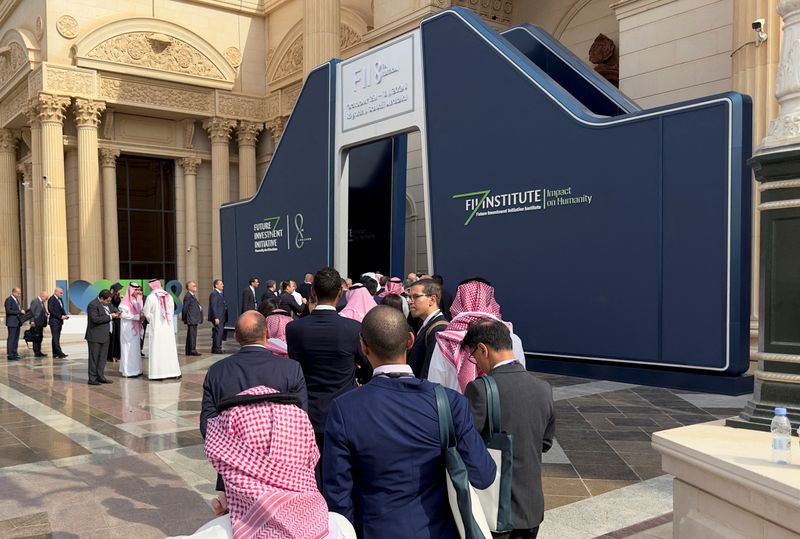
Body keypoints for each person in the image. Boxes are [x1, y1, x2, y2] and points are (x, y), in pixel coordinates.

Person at [323, 306, 496, 539]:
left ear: (363, 347)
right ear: (410, 340)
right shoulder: (450, 402)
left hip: (376, 530)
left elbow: (338, 495)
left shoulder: (344, 408)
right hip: (439, 531)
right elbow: (483, 474)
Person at [195, 386, 353, 539]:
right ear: (306, 452)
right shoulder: (340, 527)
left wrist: (224, 520)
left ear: (230, 463)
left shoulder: (209, 534)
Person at [200, 310, 308, 512]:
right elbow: (301, 423)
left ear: (236, 336)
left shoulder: (217, 371)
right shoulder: (290, 369)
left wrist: (238, 456)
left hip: (234, 473)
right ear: (267, 333)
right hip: (282, 471)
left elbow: (207, 426)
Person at [463, 319, 555, 539]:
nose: (475, 362)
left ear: (483, 349)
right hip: (531, 508)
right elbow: (545, 443)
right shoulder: (543, 388)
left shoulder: (480, 389)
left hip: (496, 508)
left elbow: (467, 444)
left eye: (473, 355)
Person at [285, 267, 366, 461]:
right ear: (340, 291)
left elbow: (294, 362)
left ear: (312, 291)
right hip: (344, 410)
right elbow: (366, 366)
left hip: (308, 411)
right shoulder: (353, 328)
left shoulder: (294, 328)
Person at [428, 277, 526, 393]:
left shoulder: (445, 341)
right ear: (490, 301)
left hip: (455, 408)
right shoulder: (512, 338)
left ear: (459, 301)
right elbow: (520, 379)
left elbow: (435, 385)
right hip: (503, 407)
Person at [406, 278, 448, 379]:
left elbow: (430, 373)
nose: (410, 301)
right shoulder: (425, 324)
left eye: (415, 297)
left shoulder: (439, 329)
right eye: (409, 297)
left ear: (432, 300)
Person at [142, 279, 181, 380]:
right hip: (167, 328)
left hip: (157, 329)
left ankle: (158, 374)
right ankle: (173, 372)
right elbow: (171, 312)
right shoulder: (169, 296)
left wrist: (153, 319)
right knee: (169, 349)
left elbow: (146, 312)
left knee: (157, 349)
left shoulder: (151, 297)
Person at [85, 289, 119, 385]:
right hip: (95, 336)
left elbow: (114, 309)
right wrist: (110, 317)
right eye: (107, 300)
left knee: (102, 358)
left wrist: (118, 312)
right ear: (101, 298)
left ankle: (100, 376)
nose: (109, 302)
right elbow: (95, 319)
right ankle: (92, 378)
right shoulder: (93, 305)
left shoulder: (107, 304)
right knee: (94, 358)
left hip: (105, 335)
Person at [118, 283, 144, 378]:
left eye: (139, 290)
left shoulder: (136, 301)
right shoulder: (123, 303)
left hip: (135, 329)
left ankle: (137, 370)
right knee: (128, 350)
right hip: (128, 329)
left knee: (136, 350)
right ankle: (128, 371)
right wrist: (137, 317)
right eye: (136, 290)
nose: (138, 292)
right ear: (131, 290)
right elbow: (123, 315)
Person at [25, 291, 49, 358]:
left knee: (39, 338)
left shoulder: (41, 302)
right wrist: (32, 321)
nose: (46, 300)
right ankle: (36, 352)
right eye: (46, 298)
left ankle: (39, 351)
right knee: (36, 338)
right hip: (35, 323)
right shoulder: (35, 301)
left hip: (40, 323)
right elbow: (32, 312)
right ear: (42, 296)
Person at [182, 281, 203, 356]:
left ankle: (189, 350)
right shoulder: (188, 296)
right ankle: (192, 350)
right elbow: (185, 308)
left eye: (195, 285)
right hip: (191, 319)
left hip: (193, 318)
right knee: (192, 335)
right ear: (189, 288)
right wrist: (184, 318)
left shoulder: (192, 295)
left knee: (191, 335)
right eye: (193, 286)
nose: (195, 286)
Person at [47, 287, 69, 358]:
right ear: (56, 292)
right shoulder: (51, 299)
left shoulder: (60, 299)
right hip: (54, 322)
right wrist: (60, 316)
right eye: (61, 293)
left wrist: (65, 315)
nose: (62, 294)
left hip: (59, 322)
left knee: (56, 338)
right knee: (55, 337)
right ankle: (60, 353)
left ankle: (55, 353)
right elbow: (51, 310)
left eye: (62, 293)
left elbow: (61, 309)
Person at [208, 279, 228, 354]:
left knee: (218, 333)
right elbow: (214, 306)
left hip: (221, 317)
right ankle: (217, 349)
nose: (223, 285)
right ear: (216, 285)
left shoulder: (219, 293)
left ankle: (215, 348)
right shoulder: (214, 294)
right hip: (218, 317)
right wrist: (216, 317)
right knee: (218, 333)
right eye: (221, 284)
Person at [5, 287, 25, 360]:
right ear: (14, 292)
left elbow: (16, 310)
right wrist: (19, 311)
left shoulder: (16, 300)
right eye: (18, 293)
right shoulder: (9, 300)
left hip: (17, 322)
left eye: (20, 293)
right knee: (11, 339)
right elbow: (8, 311)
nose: (19, 295)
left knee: (16, 339)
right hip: (11, 322)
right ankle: (10, 355)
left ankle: (14, 353)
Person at [107, 283, 123, 362]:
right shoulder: (113, 296)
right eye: (120, 289)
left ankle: (115, 355)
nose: (120, 290)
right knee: (114, 337)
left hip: (117, 318)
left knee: (117, 337)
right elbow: (113, 305)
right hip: (114, 318)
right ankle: (113, 355)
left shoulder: (116, 296)